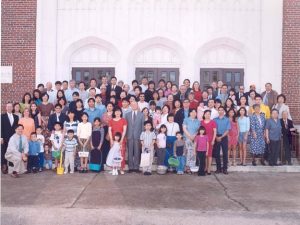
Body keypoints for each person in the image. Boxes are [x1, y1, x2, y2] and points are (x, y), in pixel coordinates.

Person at [125, 101, 144, 172]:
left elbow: (142, 126)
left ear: (137, 105)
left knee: (137, 152)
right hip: (129, 136)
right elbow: (126, 126)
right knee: (130, 152)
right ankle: (130, 167)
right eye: (132, 105)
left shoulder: (141, 114)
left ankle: (136, 167)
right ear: (130, 105)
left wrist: (142, 137)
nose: (134, 106)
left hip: (138, 136)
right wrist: (125, 136)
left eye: (135, 104)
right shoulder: (127, 114)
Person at [1, 102, 19, 174]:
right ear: (6, 108)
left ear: (12, 108)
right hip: (4, 137)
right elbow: (1, 127)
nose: (9, 108)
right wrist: (1, 137)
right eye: (8, 107)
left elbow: (16, 128)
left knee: (13, 151)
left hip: (13, 138)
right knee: (4, 151)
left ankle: (12, 165)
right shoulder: (2, 116)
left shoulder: (16, 117)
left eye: (10, 107)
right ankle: (4, 166)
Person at [108, 107, 127, 174]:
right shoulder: (111, 121)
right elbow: (109, 131)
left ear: (121, 112)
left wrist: (121, 140)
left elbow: (124, 130)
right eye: (116, 111)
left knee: (121, 154)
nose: (117, 113)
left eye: (119, 111)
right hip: (113, 140)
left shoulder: (123, 120)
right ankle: (113, 168)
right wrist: (111, 140)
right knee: (113, 154)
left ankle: (121, 169)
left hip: (121, 140)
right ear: (114, 113)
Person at [214, 106, 231, 174]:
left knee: (225, 153)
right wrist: (216, 137)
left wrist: (221, 137)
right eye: (219, 110)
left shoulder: (227, 119)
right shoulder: (215, 120)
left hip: (224, 137)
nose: (220, 111)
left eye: (222, 110)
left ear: (224, 111)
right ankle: (218, 169)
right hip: (216, 137)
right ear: (218, 111)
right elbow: (213, 130)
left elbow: (228, 130)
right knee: (217, 154)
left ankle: (225, 169)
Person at [183, 109, 200, 173]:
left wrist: (194, 136)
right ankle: (187, 167)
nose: (194, 113)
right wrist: (190, 136)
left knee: (193, 153)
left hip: (195, 139)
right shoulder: (186, 119)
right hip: (187, 138)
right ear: (190, 113)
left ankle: (192, 167)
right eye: (192, 112)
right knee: (188, 153)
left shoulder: (198, 121)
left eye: (195, 112)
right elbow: (184, 128)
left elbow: (198, 130)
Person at [200, 110, 217, 175]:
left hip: (210, 141)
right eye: (206, 114)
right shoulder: (201, 122)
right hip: (202, 141)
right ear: (204, 115)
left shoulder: (213, 122)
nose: (207, 115)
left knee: (209, 155)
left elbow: (215, 132)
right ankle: (205, 168)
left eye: (209, 114)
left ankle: (209, 169)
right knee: (204, 155)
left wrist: (213, 140)